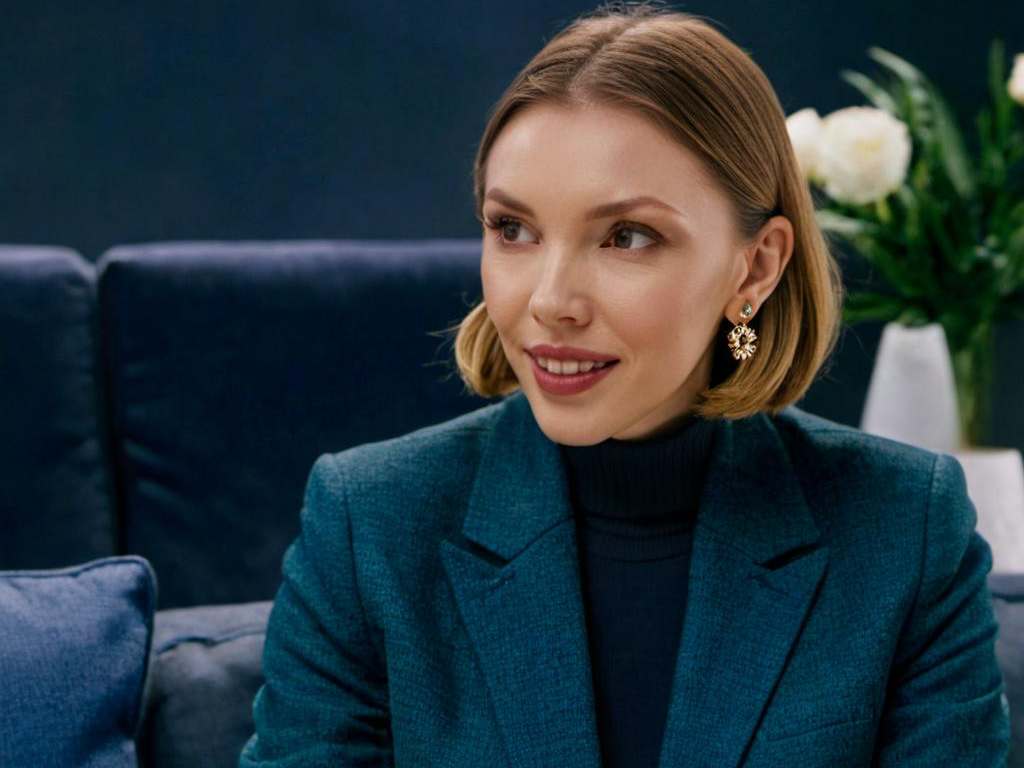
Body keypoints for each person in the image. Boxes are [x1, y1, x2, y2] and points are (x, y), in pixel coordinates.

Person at [238, 2, 1010, 766]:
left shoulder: (906, 532)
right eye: (513, 230)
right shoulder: (367, 527)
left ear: (757, 265)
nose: (548, 301)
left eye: (627, 237)